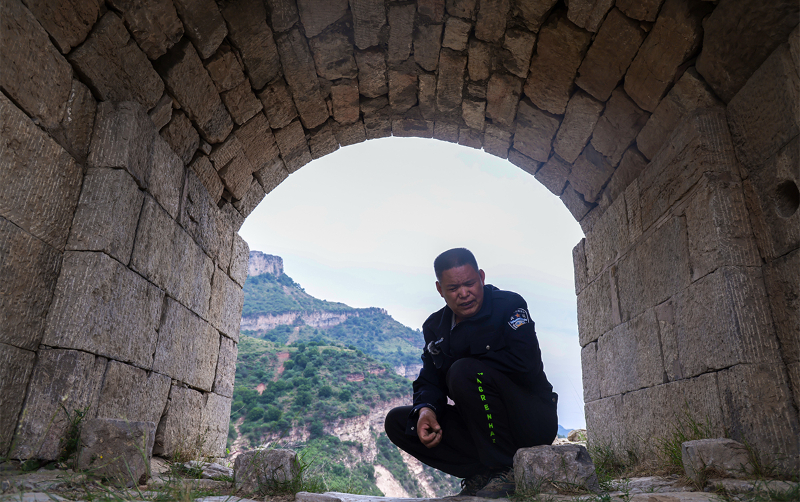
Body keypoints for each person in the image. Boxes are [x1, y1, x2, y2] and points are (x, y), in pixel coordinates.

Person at [384, 248, 558, 498]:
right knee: (399, 422)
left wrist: (464, 360)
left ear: (482, 277)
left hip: (530, 420)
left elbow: (525, 363)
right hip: (481, 427)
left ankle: (505, 470)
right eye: (453, 288)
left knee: (462, 371)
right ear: (440, 289)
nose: (464, 293)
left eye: (469, 284)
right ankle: (482, 474)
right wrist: (426, 409)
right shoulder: (435, 327)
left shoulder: (509, 306)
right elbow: (429, 380)